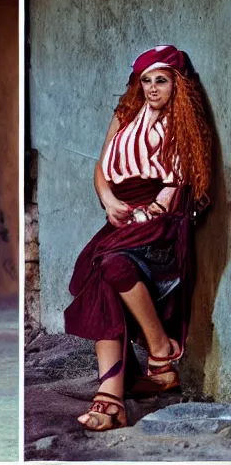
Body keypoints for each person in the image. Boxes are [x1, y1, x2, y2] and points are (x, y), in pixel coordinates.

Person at [64, 45, 212, 431]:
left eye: (160, 80)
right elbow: (101, 166)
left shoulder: (184, 122)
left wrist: (151, 211)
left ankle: (126, 382)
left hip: (160, 214)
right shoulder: (125, 114)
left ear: (176, 83)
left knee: (108, 264)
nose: (152, 88)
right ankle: (131, 381)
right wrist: (109, 200)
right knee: (105, 272)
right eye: (146, 80)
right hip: (120, 211)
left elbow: (176, 184)